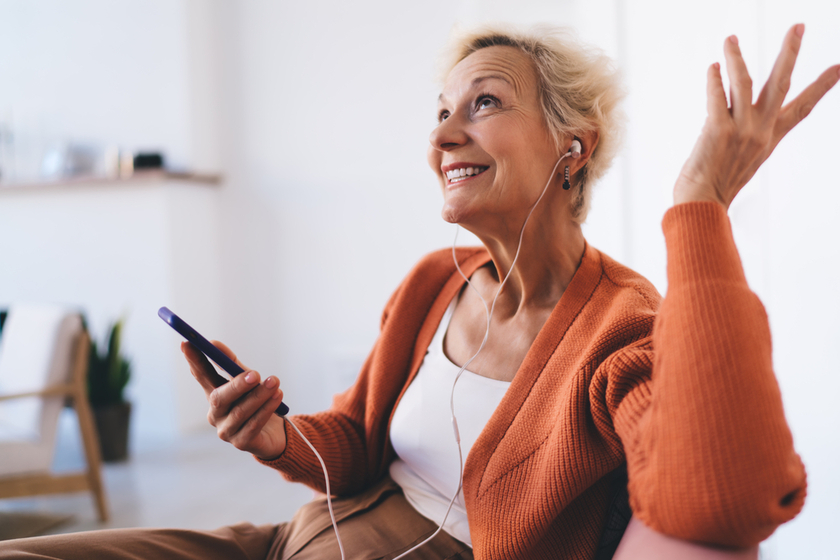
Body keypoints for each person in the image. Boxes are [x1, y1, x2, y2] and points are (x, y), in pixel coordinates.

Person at [1, 22, 837, 560]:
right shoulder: (435, 282)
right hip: (283, 542)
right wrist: (278, 438)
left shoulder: (620, 327)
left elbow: (720, 499)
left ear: (571, 147)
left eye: (483, 104)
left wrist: (698, 208)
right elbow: (359, 444)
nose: (442, 136)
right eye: (440, 112)